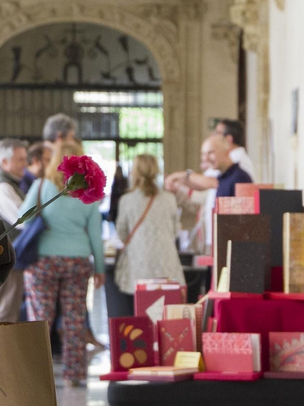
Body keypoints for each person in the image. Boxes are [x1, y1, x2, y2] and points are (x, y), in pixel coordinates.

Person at [22, 139, 105, 386]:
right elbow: (95, 235)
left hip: (43, 262)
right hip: (77, 261)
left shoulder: (41, 186)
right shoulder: (88, 194)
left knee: (40, 320)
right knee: (74, 319)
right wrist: (100, 268)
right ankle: (74, 374)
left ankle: (35, 376)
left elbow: (23, 219)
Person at [114, 154, 184, 300]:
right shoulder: (169, 199)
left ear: (135, 172)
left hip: (138, 261)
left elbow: (121, 232)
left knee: (141, 310)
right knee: (166, 311)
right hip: (167, 262)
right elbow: (176, 231)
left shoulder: (126, 200)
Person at [0, 137, 30, 322]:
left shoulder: (5, 183)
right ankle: (0, 351)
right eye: (20, 159)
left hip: (5, 257)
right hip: (6, 259)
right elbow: (25, 220)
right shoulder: (2, 187)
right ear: (4, 162)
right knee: (4, 313)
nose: (25, 164)